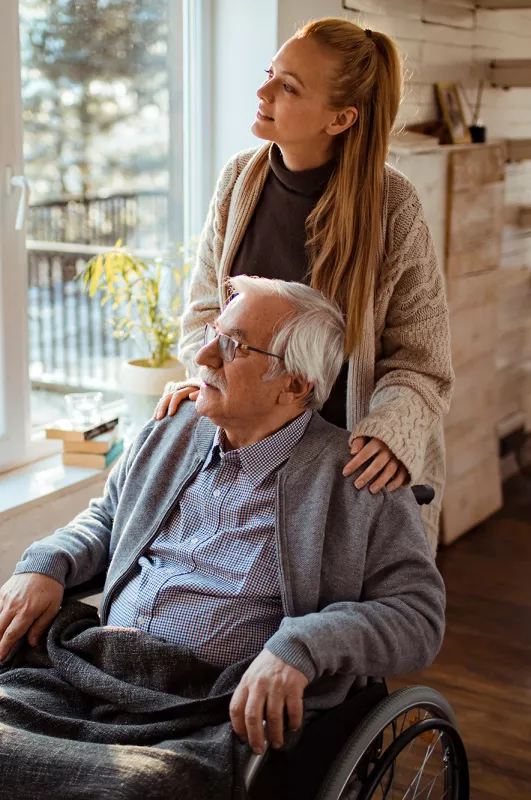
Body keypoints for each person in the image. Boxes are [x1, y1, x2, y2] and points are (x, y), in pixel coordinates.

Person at [0, 277, 445, 800]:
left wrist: (303, 646)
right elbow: (107, 520)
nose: (204, 355)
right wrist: (46, 563)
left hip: (210, 706)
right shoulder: (171, 429)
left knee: (136, 790)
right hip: (94, 669)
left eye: (232, 346)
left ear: (296, 383)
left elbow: (418, 616)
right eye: (214, 330)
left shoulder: (359, 480)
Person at [156, 18, 454, 551]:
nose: (263, 90)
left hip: (348, 472)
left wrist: (390, 433)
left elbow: (422, 362)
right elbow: (205, 314)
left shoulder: (394, 207)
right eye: (271, 73)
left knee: (341, 623)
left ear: (340, 118)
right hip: (253, 460)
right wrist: (209, 379)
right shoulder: (237, 182)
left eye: (288, 86)